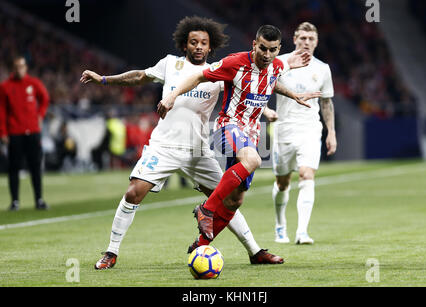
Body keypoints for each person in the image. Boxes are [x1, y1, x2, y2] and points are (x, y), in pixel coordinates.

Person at [80, 16, 285, 269]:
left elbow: (246, 94)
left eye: (203, 43)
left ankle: (254, 251)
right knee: (134, 192)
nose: (198, 47)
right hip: (164, 146)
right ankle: (111, 252)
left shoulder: (219, 72)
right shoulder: (170, 64)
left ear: (210, 47)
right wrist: (104, 79)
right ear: (185, 45)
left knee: (228, 200)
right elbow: (138, 77)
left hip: (199, 150)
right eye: (193, 42)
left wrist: (264, 112)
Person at [157, 25, 321, 249]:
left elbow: (272, 82)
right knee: (252, 160)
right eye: (262, 48)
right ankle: (207, 209)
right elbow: (197, 77)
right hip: (229, 126)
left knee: (235, 200)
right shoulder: (234, 63)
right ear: (254, 44)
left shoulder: (277, 65)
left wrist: (293, 95)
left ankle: (202, 245)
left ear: (278, 49)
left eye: (272, 50)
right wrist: (172, 96)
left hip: (253, 134)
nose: (266, 54)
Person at [272, 22, 337, 245]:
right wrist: (266, 111)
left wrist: (331, 133)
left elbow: (326, 102)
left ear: (316, 42)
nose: (306, 42)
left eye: (311, 39)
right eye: (303, 38)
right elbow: (260, 87)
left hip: (310, 130)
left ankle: (302, 232)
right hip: (283, 130)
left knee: (306, 175)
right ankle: (280, 225)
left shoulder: (323, 69)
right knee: (282, 182)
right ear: (295, 39)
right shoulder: (281, 63)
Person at [0, 56, 50, 211]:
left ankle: (39, 199)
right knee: (14, 167)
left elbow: (45, 98)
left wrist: (40, 115)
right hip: (15, 133)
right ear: (13, 69)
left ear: (26, 67)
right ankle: (15, 201)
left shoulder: (33, 83)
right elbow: (1, 111)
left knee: (35, 166)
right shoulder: (5, 86)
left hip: (33, 131)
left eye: (22, 66)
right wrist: (3, 132)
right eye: (17, 67)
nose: (19, 69)